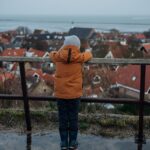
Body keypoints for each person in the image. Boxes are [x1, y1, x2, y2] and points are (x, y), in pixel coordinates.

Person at [49, 35, 92, 150]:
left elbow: (51, 54)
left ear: (64, 45)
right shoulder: (80, 57)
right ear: (77, 46)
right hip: (74, 94)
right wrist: (87, 50)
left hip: (61, 94)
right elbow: (89, 54)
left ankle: (63, 142)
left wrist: (62, 48)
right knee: (73, 118)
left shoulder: (57, 57)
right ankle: (73, 142)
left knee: (63, 118)